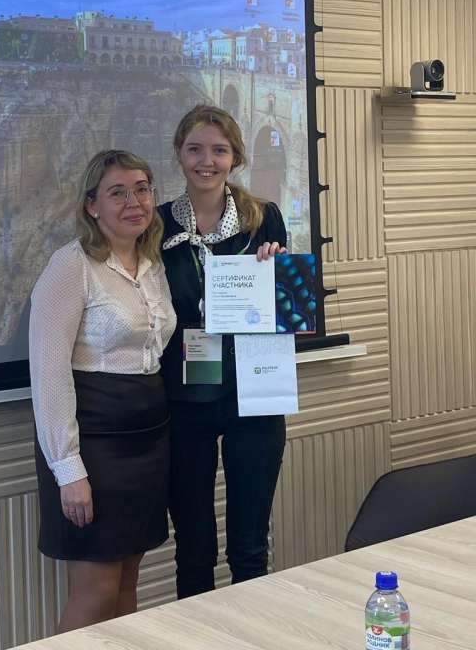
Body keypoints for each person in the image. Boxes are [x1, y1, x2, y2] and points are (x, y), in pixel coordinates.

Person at [29, 150, 176, 631]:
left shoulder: (152, 262)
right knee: (96, 592)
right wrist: (68, 469)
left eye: (142, 189)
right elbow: (49, 373)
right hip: (94, 444)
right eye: (118, 192)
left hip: (148, 439)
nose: (135, 202)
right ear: (92, 205)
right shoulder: (70, 266)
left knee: (129, 582)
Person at [159, 104, 288, 599]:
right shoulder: (157, 225)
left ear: (235, 157)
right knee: (193, 550)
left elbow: (283, 308)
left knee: (249, 548)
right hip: (184, 400)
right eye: (195, 149)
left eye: (219, 150)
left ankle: (248, 631)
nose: (206, 161)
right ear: (179, 154)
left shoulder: (265, 218)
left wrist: (278, 273)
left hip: (253, 395)